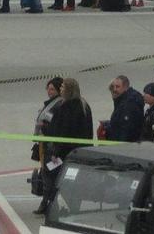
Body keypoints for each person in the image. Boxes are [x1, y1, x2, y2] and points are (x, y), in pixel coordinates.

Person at [37, 78, 93, 215]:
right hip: (79, 150)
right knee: (72, 179)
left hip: (63, 152)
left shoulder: (66, 107)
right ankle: (70, 206)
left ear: (68, 90)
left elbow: (62, 131)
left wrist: (45, 129)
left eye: (62, 88)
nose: (60, 90)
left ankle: (51, 205)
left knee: (52, 176)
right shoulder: (84, 105)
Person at [103, 76, 145, 142]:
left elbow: (126, 130)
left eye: (117, 87)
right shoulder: (122, 99)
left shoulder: (129, 104)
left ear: (125, 87)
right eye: (113, 87)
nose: (114, 89)